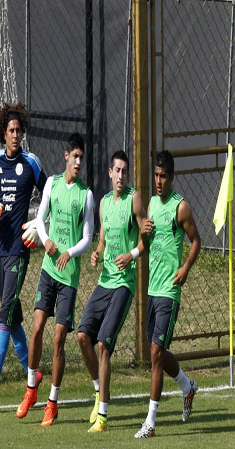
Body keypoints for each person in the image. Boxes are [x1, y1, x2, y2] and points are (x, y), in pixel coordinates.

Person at [17, 133, 94, 426]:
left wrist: (70, 253)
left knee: (59, 338)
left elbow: (88, 238)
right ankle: (31, 389)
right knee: (36, 328)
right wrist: (47, 241)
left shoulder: (86, 195)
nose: (77, 162)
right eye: (74, 156)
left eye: (81, 158)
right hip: (49, 270)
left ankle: (52, 401)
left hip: (69, 277)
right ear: (65, 156)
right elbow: (40, 218)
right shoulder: (51, 184)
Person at [0, 102, 47, 412]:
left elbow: (50, 194)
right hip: (1, 249)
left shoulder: (31, 162)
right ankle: (34, 373)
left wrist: (38, 224)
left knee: (4, 317)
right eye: (11, 130)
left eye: (19, 130)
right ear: (3, 133)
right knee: (14, 317)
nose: (16, 135)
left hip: (20, 250)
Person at [76, 151, 147, 433]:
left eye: (124, 171)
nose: (120, 176)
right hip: (105, 281)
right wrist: (97, 253)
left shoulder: (134, 199)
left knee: (104, 344)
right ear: (109, 172)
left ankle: (103, 416)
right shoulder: (104, 203)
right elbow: (103, 240)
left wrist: (132, 254)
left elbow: (146, 239)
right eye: (116, 170)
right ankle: (98, 392)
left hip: (124, 284)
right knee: (83, 337)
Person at [134, 150, 202, 438]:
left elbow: (197, 240)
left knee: (155, 353)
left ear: (172, 178)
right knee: (157, 355)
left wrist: (186, 266)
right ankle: (188, 387)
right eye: (156, 176)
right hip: (152, 289)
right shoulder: (151, 203)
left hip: (169, 291)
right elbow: (146, 244)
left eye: (163, 176)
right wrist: (144, 233)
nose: (159, 181)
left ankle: (150, 423)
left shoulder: (180, 207)